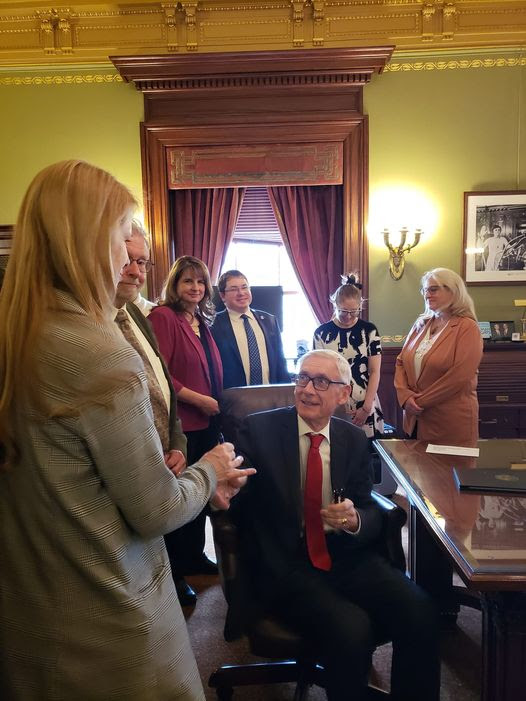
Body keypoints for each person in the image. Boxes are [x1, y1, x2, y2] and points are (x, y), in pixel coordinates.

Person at [0, 160, 255, 700]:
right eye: (123, 240)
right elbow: (156, 510)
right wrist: (210, 473)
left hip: (29, 603)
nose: (129, 258)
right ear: (89, 243)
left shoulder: (17, 331)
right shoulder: (98, 354)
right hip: (106, 607)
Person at [229, 349, 440, 701]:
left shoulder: (353, 440)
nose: (307, 389)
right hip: (287, 561)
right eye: (302, 377)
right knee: (351, 628)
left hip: (346, 555)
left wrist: (356, 519)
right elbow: (241, 480)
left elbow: (369, 506)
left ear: (344, 395)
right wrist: (227, 486)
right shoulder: (259, 429)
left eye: (321, 381)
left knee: (420, 611)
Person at [149, 256, 223, 602]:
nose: (195, 288)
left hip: (207, 422)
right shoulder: (164, 318)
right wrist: (199, 400)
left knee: (201, 496)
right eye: (187, 282)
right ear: (174, 285)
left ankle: (194, 556)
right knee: (180, 500)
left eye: (200, 283)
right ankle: (175, 574)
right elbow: (159, 375)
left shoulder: (200, 321)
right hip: (183, 425)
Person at [394, 267, 483, 446]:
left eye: (433, 289)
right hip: (414, 420)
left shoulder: (467, 327)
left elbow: (460, 376)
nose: (427, 295)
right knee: (417, 472)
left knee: (447, 474)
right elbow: (401, 362)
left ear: (453, 291)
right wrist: (405, 397)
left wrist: (418, 402)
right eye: (425, 290)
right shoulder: (421, 324)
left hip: (449, 422)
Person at [313, 273, 384, 438]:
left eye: (354, 311)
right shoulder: (321, 333)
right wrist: (337, 407)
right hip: (333, 404)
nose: (349, 316)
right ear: (334, 305)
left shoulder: (369, 330)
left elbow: (375, 372)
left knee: (367, 456)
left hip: (366, 402)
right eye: (344, 311)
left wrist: (366, 408)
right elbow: (320, 374)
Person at [211, 269, 290, 389]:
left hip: (270, 395)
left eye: (244, 287)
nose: (241, 293)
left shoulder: (270, 321)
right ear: (222, 296)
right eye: (233, 289)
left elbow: (280, 362)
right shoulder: (213, 325)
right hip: (234, 399)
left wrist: (286, 394)